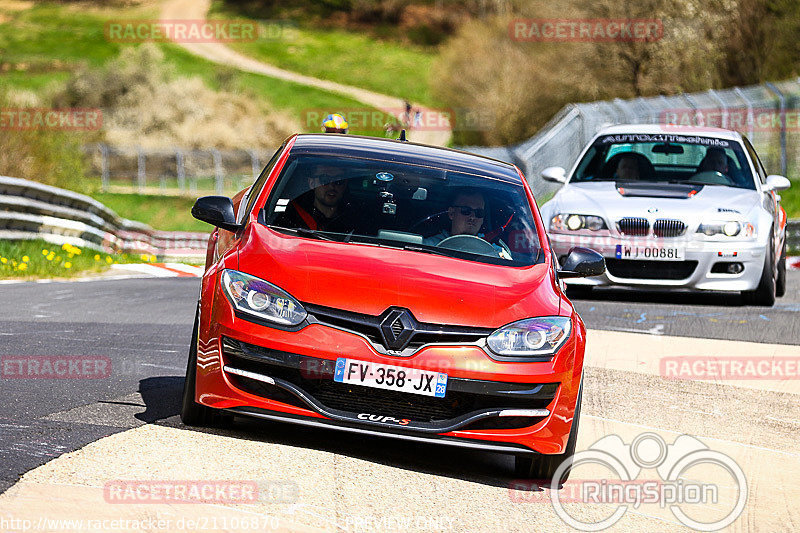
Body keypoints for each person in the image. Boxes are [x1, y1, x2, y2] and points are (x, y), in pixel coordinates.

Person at [423, 189, 512, 259]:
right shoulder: (428, 247)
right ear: (451, 213)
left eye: (479, 213)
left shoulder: (496, 253)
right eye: (466, 211)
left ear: (482, 219)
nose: (472, 217)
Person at [274, 164, 358, 233]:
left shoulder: (356, 220)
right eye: (325, 180)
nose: (332, 186)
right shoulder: (291, 218)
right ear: (312, 183)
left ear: (345, 185)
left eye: (339, 181)